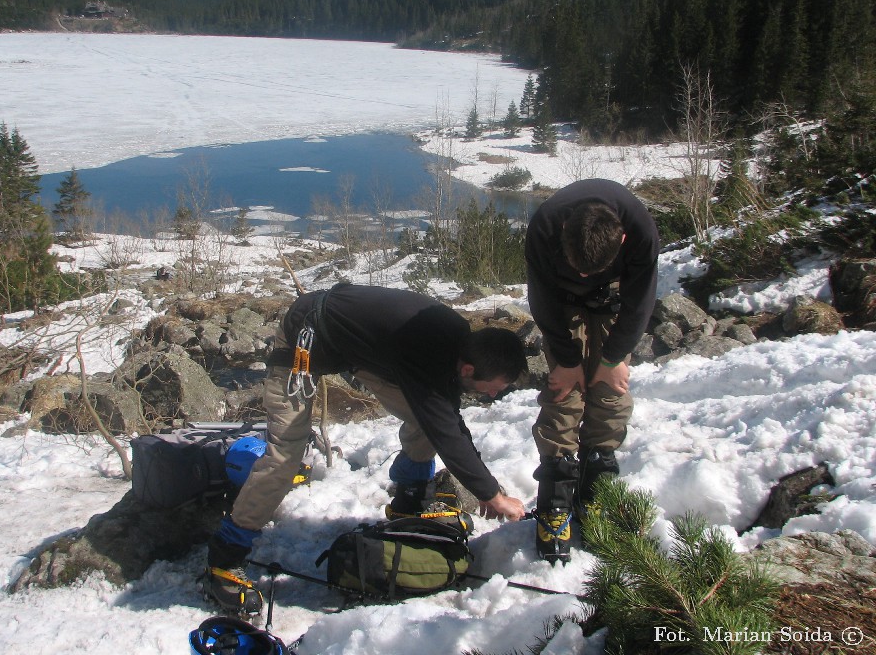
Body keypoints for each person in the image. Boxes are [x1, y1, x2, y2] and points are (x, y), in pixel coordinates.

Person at [205, 282, 529, 614]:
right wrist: (492, 495)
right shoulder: (430, 351)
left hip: (354, 345)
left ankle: (409, 502)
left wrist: (488, 490)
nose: (492, 397)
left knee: (425, 422)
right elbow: (447, 430)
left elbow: (448, 422)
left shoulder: (457, 341)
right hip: (305, 336)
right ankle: (225, 557)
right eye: (494, 389)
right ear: (469, 370)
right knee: (285, 456)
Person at [525, 179, 659, 564]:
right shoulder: (546, 226)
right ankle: (555, 496)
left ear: (620, 242)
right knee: (564, 394)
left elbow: (640, 301)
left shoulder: (640, 231)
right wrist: (567, 362)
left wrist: (613, 358)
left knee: (610, 392)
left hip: (613, 303)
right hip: (561, 305)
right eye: (576, 267)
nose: (584, 275)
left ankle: (597, 486)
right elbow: (542, 299)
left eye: (591, 270)